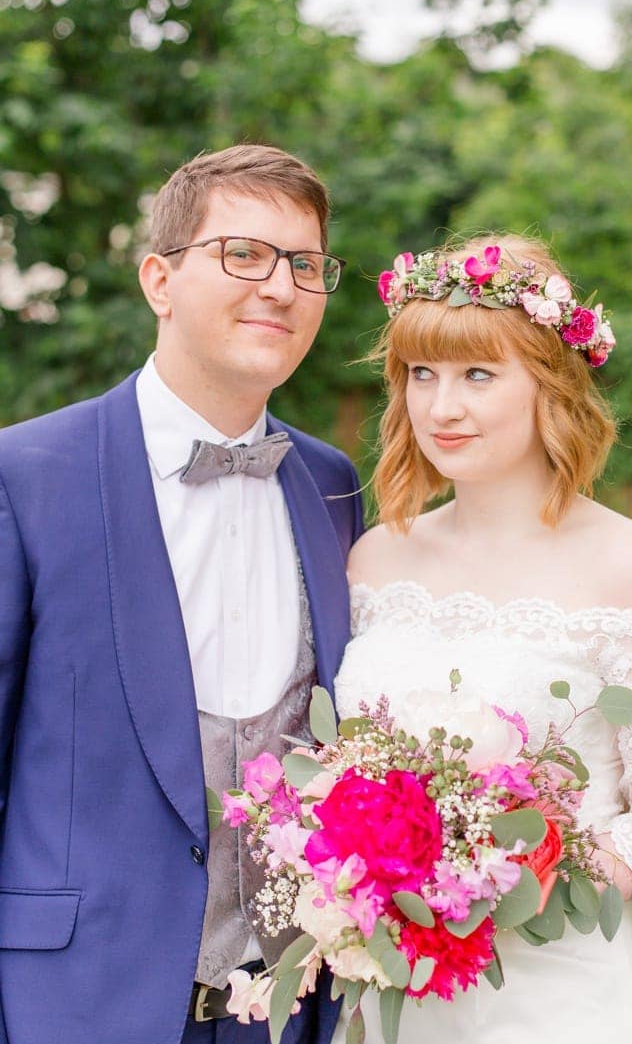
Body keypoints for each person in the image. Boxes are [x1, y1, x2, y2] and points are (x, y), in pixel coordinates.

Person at [0, 144, 363, 1044]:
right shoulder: (24, 475)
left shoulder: (332, 484)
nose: (279, 286)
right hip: (77, 1005)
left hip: (290, 1010)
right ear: (159, 279)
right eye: (242, 253)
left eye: (305, 264)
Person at [335, 233, 632, 1043]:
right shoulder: (377, 558)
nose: (442, 407)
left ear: (550, 382)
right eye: (422, 374)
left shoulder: (628, 561)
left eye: (478, 374)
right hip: (395, 996)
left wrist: (517, 880)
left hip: (560, 994)